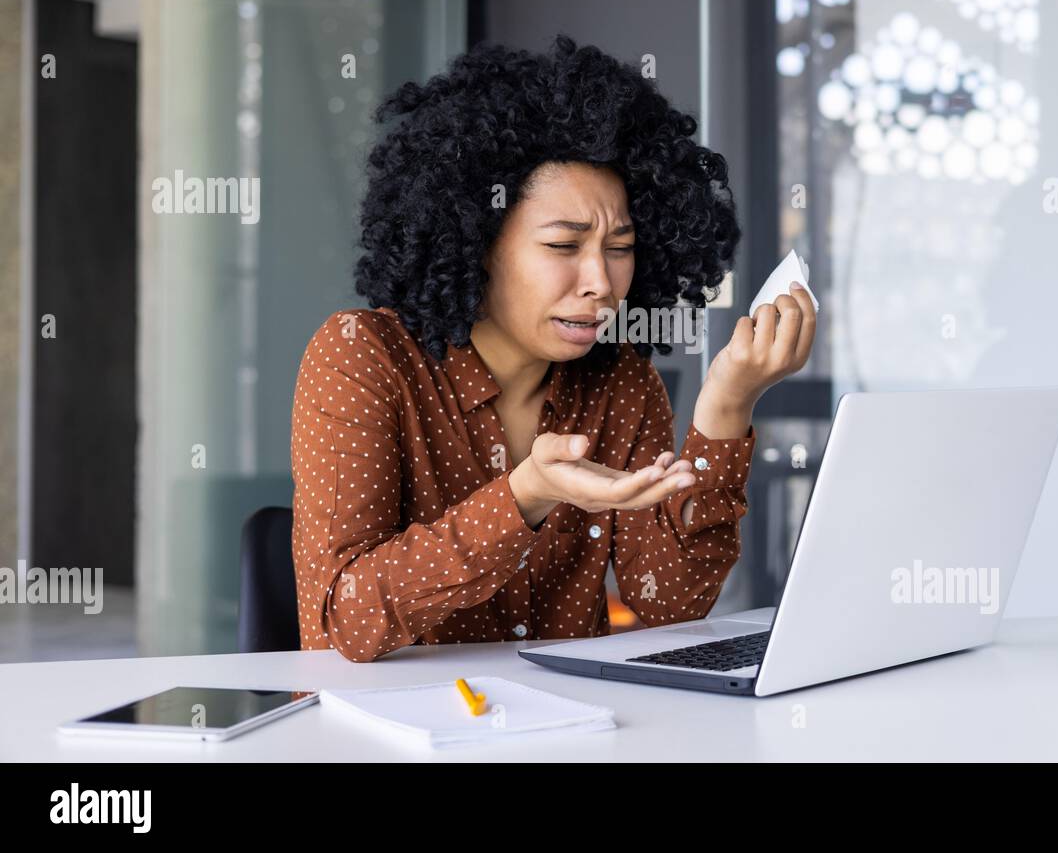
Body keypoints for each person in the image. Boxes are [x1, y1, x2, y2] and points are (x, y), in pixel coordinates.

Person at [290, 34, 815, 662]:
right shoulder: (363, 356)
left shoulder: (622, 383)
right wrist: (524, 496)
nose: (600, 281)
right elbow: (344, 617)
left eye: (619, 248)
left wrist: (728, 402)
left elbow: (670, 602)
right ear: (476, 241)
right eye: (564, 247)